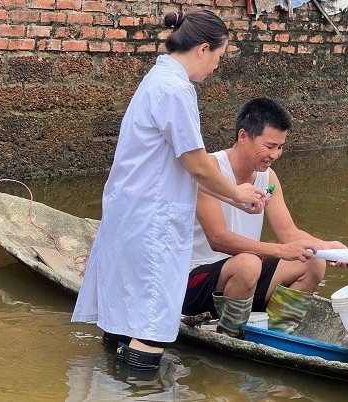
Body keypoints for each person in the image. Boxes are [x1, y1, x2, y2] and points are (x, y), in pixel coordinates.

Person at [71, 9, 264, 371]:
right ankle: (139, 389)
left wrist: (229, 193)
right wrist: (237, 194)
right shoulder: (176, 89)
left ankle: (113, 388)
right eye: (218, 58)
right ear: (203, 49)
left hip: (131, 213)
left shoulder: (157, 79)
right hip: (151, 223)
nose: (216, 67)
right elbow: (197, 164)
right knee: (152, 323)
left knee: (125, 317)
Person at [182, 97, 348, 338]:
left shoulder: (268, 177)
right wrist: (280, 251)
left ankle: (277, 335)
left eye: (280, 147)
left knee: (313, 262)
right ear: (243, 136)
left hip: (245, 280)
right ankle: (230, 337)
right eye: (269, 146)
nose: (275, 154)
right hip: (195, 282)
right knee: (249, 263)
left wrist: (327, 248)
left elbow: (289, 234)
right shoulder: (209, 170)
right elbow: (218, 239)